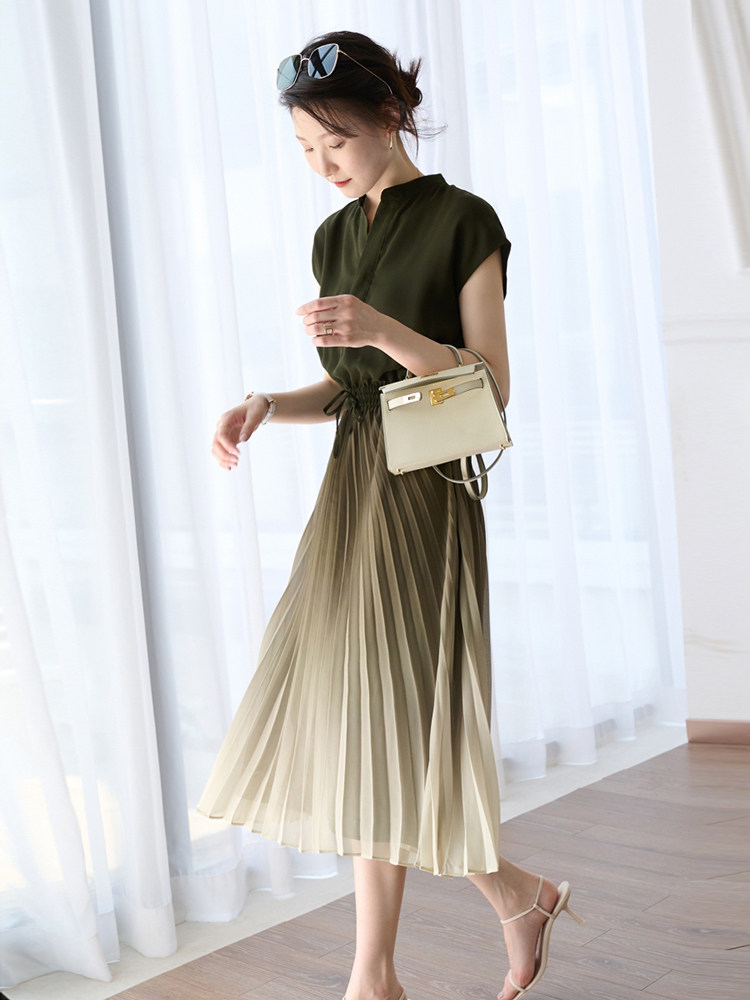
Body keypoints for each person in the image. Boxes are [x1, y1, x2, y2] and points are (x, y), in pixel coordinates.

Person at [197, 30, 584, 1000]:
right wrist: (265, 405)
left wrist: (381, 328)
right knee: (361, 720)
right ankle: (436, 938)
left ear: (389, 115)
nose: (321, 165)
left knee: (395, 719)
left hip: (426, 490)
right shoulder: (333, 237)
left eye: (334, 142)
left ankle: (397, 963)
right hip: (352, 489)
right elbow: (347, 387)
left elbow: (490, 384)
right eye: (304, 149)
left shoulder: (464, 221)